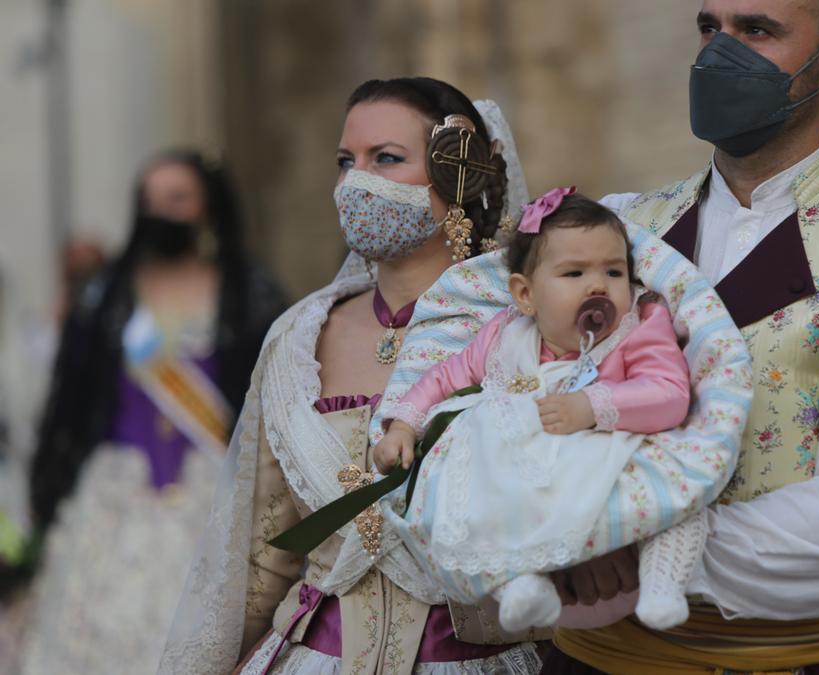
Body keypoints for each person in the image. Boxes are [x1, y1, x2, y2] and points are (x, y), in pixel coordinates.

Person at [539, 1, 819, 673]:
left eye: (756, 31)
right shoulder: (619, 227)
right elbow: (523, 401)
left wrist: (640, 543)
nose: (717, 54)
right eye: (710, 28)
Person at [160, 78, 550, 675]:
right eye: (346, 162)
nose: (354, 183)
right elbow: (264, 558)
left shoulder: (529, 329)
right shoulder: (298, 339)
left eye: (385, 159)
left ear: (459, 175)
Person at [373, 189, 712, 633]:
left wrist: (592, 405)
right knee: (472, 472)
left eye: (614, 271)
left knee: (681, 483)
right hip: (535, 482)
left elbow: (669, 393)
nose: (598, 285)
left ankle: (664, 578)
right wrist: (403, 425)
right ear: (526, 295)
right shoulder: (506, 337)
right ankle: (517, 582)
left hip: (615, 463)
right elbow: (444, 379)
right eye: (574, 273)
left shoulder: (638, 328)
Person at [19, 149, 288, 674]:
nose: (158, 211)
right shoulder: (104, 297)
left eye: (176, 198)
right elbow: (68, 404)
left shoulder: (249, 296)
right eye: (149, 200)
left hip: (214, 498)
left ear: (207, 207)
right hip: (116, 499)